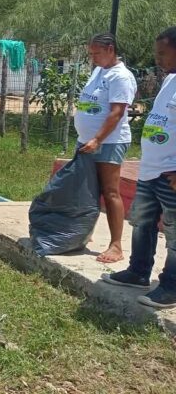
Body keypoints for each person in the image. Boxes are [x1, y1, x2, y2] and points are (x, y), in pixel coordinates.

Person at [101, 27, 176, 308]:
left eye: (162, 53)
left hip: (171, 174)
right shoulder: (170, 80)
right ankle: (138, 272)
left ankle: (171, 286)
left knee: (174, 233)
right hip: (151, 170)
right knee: (142, 223)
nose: (158, 58)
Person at [74, 33, 137, 263]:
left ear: (110, 49)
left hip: (108, 142)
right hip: (86, 141)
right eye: (91, 54)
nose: (93, 58)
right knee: (87, 189)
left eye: (96, 53)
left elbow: (116, 113)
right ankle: (83, 231)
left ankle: (116, 245)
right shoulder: (99, 71)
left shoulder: (121, 77)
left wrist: (98, 139)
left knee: (110, 192)